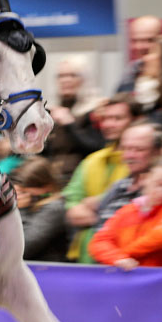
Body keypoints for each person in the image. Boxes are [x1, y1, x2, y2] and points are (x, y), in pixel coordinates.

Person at [62, 95, 141, 261]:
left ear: (136, 120)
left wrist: (98, 204)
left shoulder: (141, 160)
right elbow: (71, 207)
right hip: (86, 256)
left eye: (117, 118)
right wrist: (108, 210)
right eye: (105, 118)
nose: (108, 124)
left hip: (125, 257)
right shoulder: (92, 160)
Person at [89, 159, 162, 268]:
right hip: (127, 280)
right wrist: (117, 258)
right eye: (160, 184)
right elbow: (99, 242)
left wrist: (125, 255)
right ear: (144, 179)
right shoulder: (125, 212)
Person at [42, 57, 105, 180]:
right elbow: (46, 152)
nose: (65, 80)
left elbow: (96, 148)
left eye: (72, 75)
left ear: (84, 79)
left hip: (82, 178)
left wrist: (69, 124)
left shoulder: (96, 108)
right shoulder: (54, 109)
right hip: (52, 178)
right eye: (61, 76)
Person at [12, 157, 69, 262]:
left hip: (46, 270)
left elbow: (25, 247)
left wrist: (20, 210)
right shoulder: (31, 202)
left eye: (28, 188)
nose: (23, 193)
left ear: (47, 186)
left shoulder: (54, 208)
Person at [116, 15, 162, 93]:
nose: (139, 47)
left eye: (149, 40)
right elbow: (121, 97)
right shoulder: (133, 69)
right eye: (134, 40)